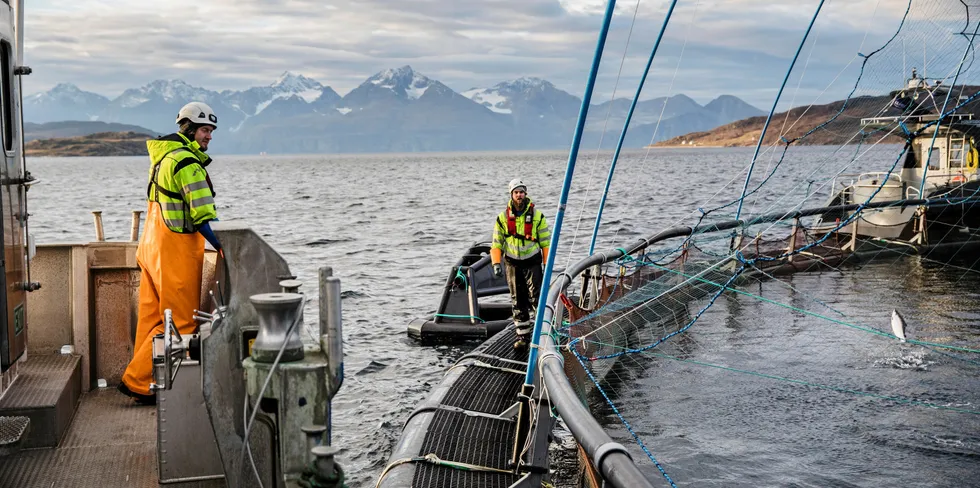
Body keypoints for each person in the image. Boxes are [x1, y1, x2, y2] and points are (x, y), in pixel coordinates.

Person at [118, 101, 222, 405]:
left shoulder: (163, 159)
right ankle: (138, 380)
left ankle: (148, 384)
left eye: (212, 131)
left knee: (151, 318)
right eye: (205, 130)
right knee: (180, 322)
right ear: (188, 128)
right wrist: (222, 246)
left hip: (150, 247)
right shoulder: (188, 163)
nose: (209, 136)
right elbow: (202, 216)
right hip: (175, 251)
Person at [490, 178, 551, 351]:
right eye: (516, 192)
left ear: (526, 194)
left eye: (522, 192)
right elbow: (496, 243)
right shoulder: (502, 218)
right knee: (518, 300)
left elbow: (546, 242)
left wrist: (547, 263)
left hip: (532, 262)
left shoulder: (537, 216)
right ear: (511, 194)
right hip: (512, 263)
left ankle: (543, 335)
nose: (519, 195)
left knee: (537, 298)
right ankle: (523, 337)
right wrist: (496, 263)